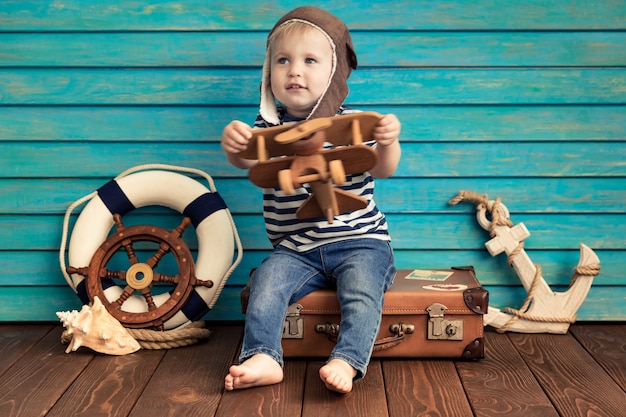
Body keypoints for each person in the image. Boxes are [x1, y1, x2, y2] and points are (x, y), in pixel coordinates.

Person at [221, 6, 401, 394]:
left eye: (310, 60)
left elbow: (383, 169)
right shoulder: (268, 129)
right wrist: (235, 148)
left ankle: (347, 360)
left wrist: (388, 143)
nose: (294, 70)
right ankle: (264, 355)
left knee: (361, 290)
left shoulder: (353, 123)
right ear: (269, 72)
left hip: (361, 242)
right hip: (296, 248)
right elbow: (248, 160)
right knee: (265, 284)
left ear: (334, 72)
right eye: (282, 60)